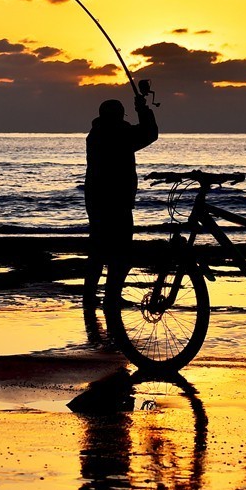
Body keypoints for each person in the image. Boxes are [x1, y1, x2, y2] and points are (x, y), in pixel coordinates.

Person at [84, 93, 159, 324]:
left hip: (97, 202)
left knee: (98, 252)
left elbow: (142, 135)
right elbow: (150, 134)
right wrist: (143, 109)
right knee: (121, 254)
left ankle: (91, 297)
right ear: (118, 116)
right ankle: (111, 297)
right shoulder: (119, 134)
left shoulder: (95, 134)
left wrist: (140, 110)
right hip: (118, 203)